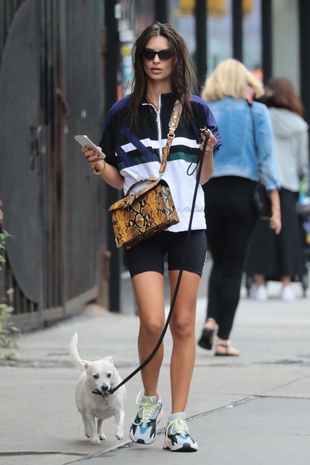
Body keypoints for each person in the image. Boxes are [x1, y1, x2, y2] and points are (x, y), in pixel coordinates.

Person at [81, 22, 220, 452]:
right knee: (152, 320)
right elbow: (117, 176)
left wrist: (209, 150)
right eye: (149, 54)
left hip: (188, 225)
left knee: (182, 323)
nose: (157, 61)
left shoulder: (197, 110)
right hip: (142, 225)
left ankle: (177, 421)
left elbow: (205, 176)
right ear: (140, 59)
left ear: (177, 59)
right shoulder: (122, 113)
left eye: (165, 54)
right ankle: (149, 402)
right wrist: (96, 163)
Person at [197, 59, 281, 357]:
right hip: (243, 195)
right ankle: (223, 340)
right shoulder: (255, 111)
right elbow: (267, 160)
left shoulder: (205, 111)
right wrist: (275, 205)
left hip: (209, 193)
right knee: (233, 267)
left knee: (218, 262)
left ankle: (210, 320)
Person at [246, 78, 309, 301]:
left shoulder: (261, 117)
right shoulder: (300, 126)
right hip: (288, 184)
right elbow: (303, 161)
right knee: (288, 236)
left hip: (262, 182)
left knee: (260, 234)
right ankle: (286, 285)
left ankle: (260, 285)